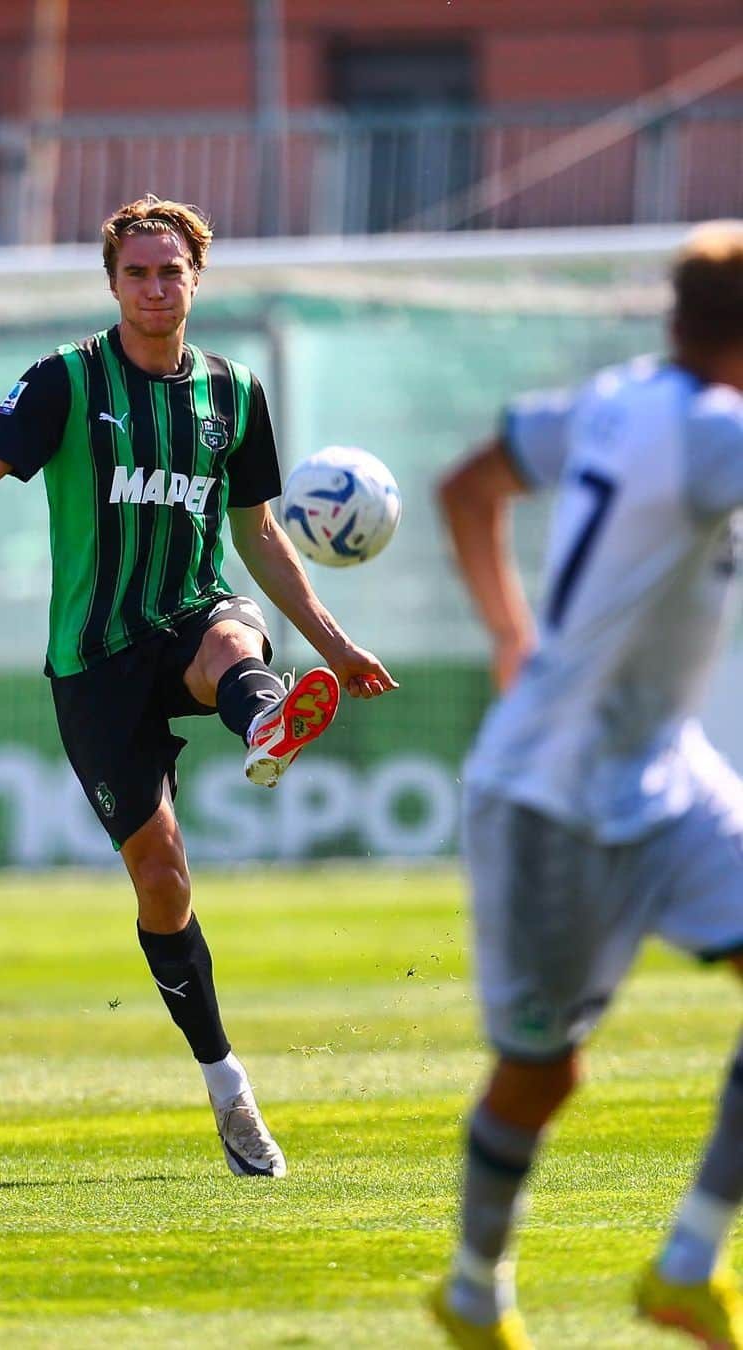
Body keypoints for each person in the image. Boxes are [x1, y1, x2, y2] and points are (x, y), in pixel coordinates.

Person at [0, 195, 396, 1179]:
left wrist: (339, 645)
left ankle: (267, 715)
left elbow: (259, 534)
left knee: (232, 629)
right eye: (137, 272)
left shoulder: (232, 396)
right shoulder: (66, 382)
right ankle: (228, 1086)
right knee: (163, 882)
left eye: (171, 270)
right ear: (113, 284)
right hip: (95, 663)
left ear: (197, 279)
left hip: (191, 622)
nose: (155, 286)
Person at [431, 220, 743, 1349]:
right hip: (549, 797)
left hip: (665, 772)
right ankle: (473, 1288)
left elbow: (467, 487)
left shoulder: (613, 399)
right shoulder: (715, 432)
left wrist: (511, 636)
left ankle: (688, 1264)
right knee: (541, 1075)